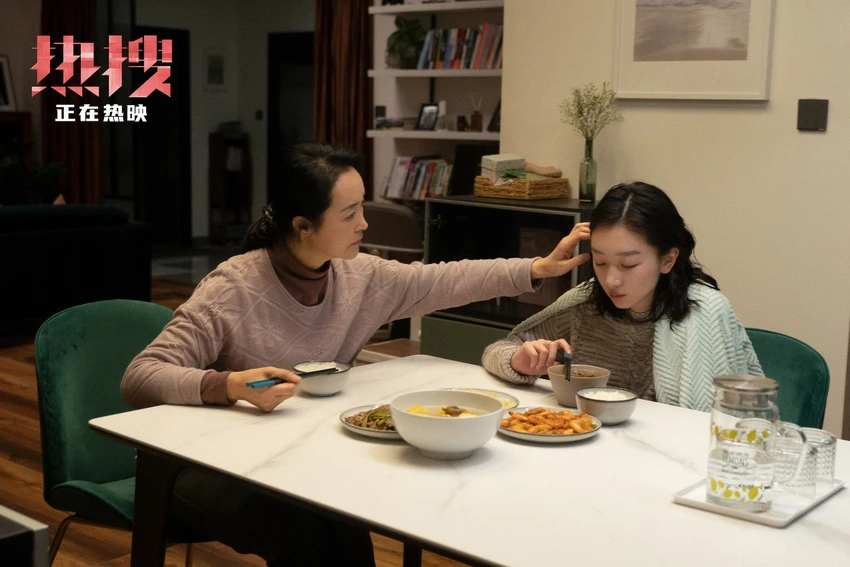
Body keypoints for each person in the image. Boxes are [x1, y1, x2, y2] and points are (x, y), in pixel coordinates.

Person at [120, 142, 590, 566]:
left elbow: (442, 279)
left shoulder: (359, 276)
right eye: (349, 214)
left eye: (361, 206)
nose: (364, 223)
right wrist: (228, 385)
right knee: (307, 539)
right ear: (303, 226)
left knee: (348, 525)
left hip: (288, 460)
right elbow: (140, 376)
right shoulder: (232, 288)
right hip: (200, 468)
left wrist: (537, 268)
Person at [482, 181, 762, 411]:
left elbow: (732, 417)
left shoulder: (705, 312)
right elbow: (497, 351)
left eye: (628, 264)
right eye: (600, 262)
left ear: (667, 259)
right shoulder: (586, 304)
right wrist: (519, 361)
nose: (610, 280)